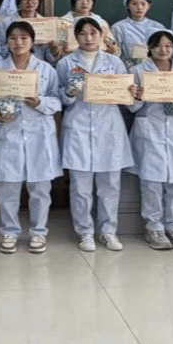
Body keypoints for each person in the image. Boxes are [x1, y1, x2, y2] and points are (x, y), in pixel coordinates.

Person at [0, 20, 61, 254]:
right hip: (8, 135)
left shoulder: (46, 70)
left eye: (24, 38)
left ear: (32, 42)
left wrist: (39, 102)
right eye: (13, 38)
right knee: (7, 188)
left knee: (40, 188)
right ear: (7, 42)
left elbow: (57, 101)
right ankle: (9, 231)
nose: (18, 42)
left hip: (40, 136)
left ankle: (38, 232)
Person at [57, 17, 133, 252]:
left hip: (108, 126)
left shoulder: (115, 62)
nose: (88, 38)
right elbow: (61, 98)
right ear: (76, 37)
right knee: (80, 186)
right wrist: (70, 92)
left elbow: (124, 96)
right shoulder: (66, 63)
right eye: (83, 33)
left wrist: (129, 92)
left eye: (93, 33)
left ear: (101, 36)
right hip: (78, 126)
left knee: (109, 184)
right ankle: (85, 232)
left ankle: (108, 231)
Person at [127, 29, 173, 251]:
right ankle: (154, 227)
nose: (163, 50)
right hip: (151, 130)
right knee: (152, 183)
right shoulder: (138, 71)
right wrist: (138, 97)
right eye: (158, 45)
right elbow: (132, 107)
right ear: (149, 48)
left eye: (168, 46)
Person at [49, 0, 117, 62]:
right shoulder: (62, 23)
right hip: (71, 62)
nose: (84, 2)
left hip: (99, 62)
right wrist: (57, 51)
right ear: (73, 2)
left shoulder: (101, 23)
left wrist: (113, 50)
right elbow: (55, 54)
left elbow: (113, 47)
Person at [112, 0, 165, 69]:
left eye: (143, 4)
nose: (139, 7)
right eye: (134, 4)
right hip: (128, 69)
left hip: (154, 69)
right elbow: (116, 53)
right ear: (127, 6)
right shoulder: (118, 27)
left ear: (148, 6)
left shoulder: (158, 27)